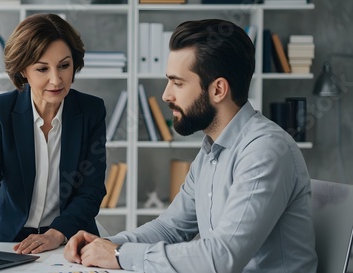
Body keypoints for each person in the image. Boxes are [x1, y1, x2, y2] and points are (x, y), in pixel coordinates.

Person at [64, 19, 318, 272]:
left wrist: (120, 255)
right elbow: (170, 227)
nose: (166, 95)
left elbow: (222, 258)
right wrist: (105, 245)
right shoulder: (211, 151)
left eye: (178, 83)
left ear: (218, 89)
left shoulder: (265, 151)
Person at [0, 13, 107, 255]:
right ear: (23, 70)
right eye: (42, 68)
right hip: (6, 237)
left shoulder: (91, 111)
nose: (56, 79)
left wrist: (56, 234)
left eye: (64, 66)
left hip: (67, 237)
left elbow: (91, 189)